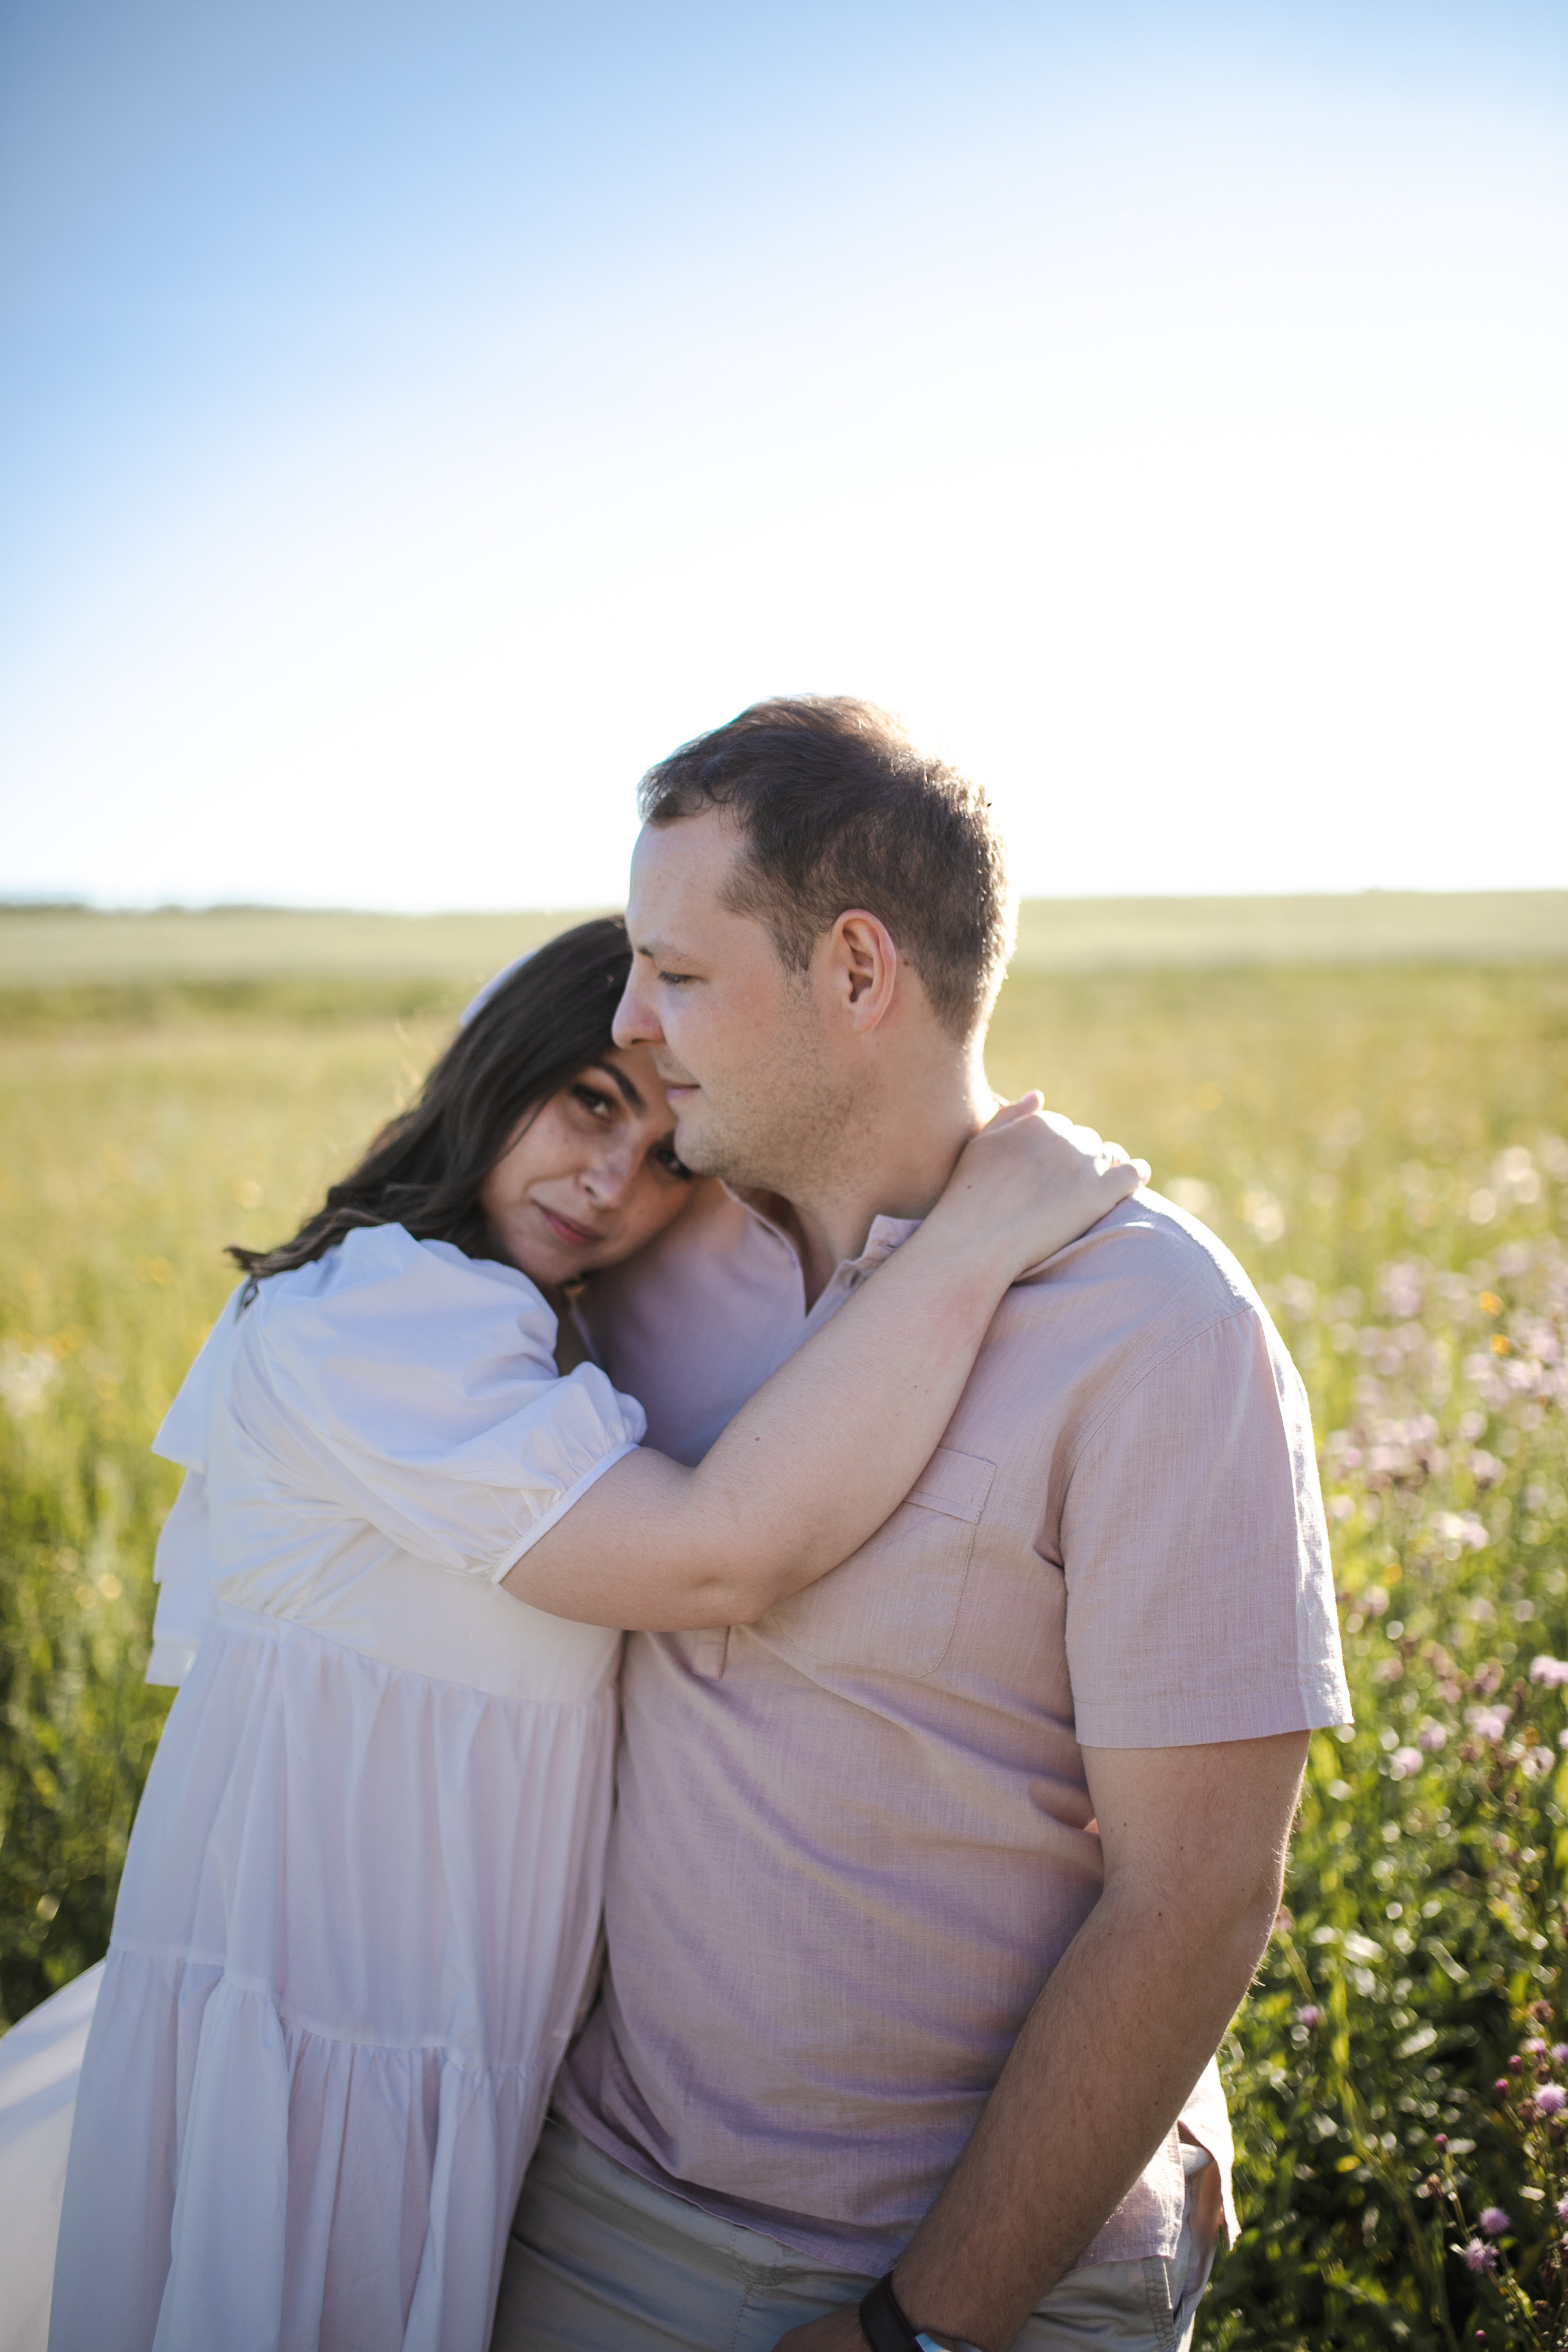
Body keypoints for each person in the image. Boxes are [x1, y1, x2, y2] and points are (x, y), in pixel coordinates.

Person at [43, 914, 1140, 2352]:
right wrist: (974, 1235)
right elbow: (716, 1558)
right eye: (588, 1103)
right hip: (326, 2035)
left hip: (460, 2049)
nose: (613, 1178)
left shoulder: (532, 1326)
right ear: (498, 1073)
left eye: (667, 1151)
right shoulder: (382, 1315)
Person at [492, 699, 1352, 2352]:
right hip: (606, 2214)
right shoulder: (631, 1262)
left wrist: (923, 2327)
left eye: (677, 974)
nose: (629, 1023)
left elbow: (1197, 1898)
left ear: (862, 973)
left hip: (999, 2279)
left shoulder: (1156, 1327)